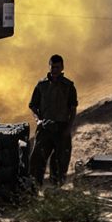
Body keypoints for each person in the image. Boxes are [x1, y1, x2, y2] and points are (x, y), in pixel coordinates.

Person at [29, 53, 78, 187]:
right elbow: (33, 106)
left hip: (61, 128)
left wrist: (68, 128)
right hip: (45, 128)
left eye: (57, 67)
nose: (54, 70)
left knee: (60, 161)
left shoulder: (68, 86)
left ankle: (55, 189)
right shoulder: (41, 85)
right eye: (52, 67)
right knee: (37, 160)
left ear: (62, 67)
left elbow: (73, 109)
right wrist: (38, 120)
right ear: (49, 67)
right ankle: (34, 189)